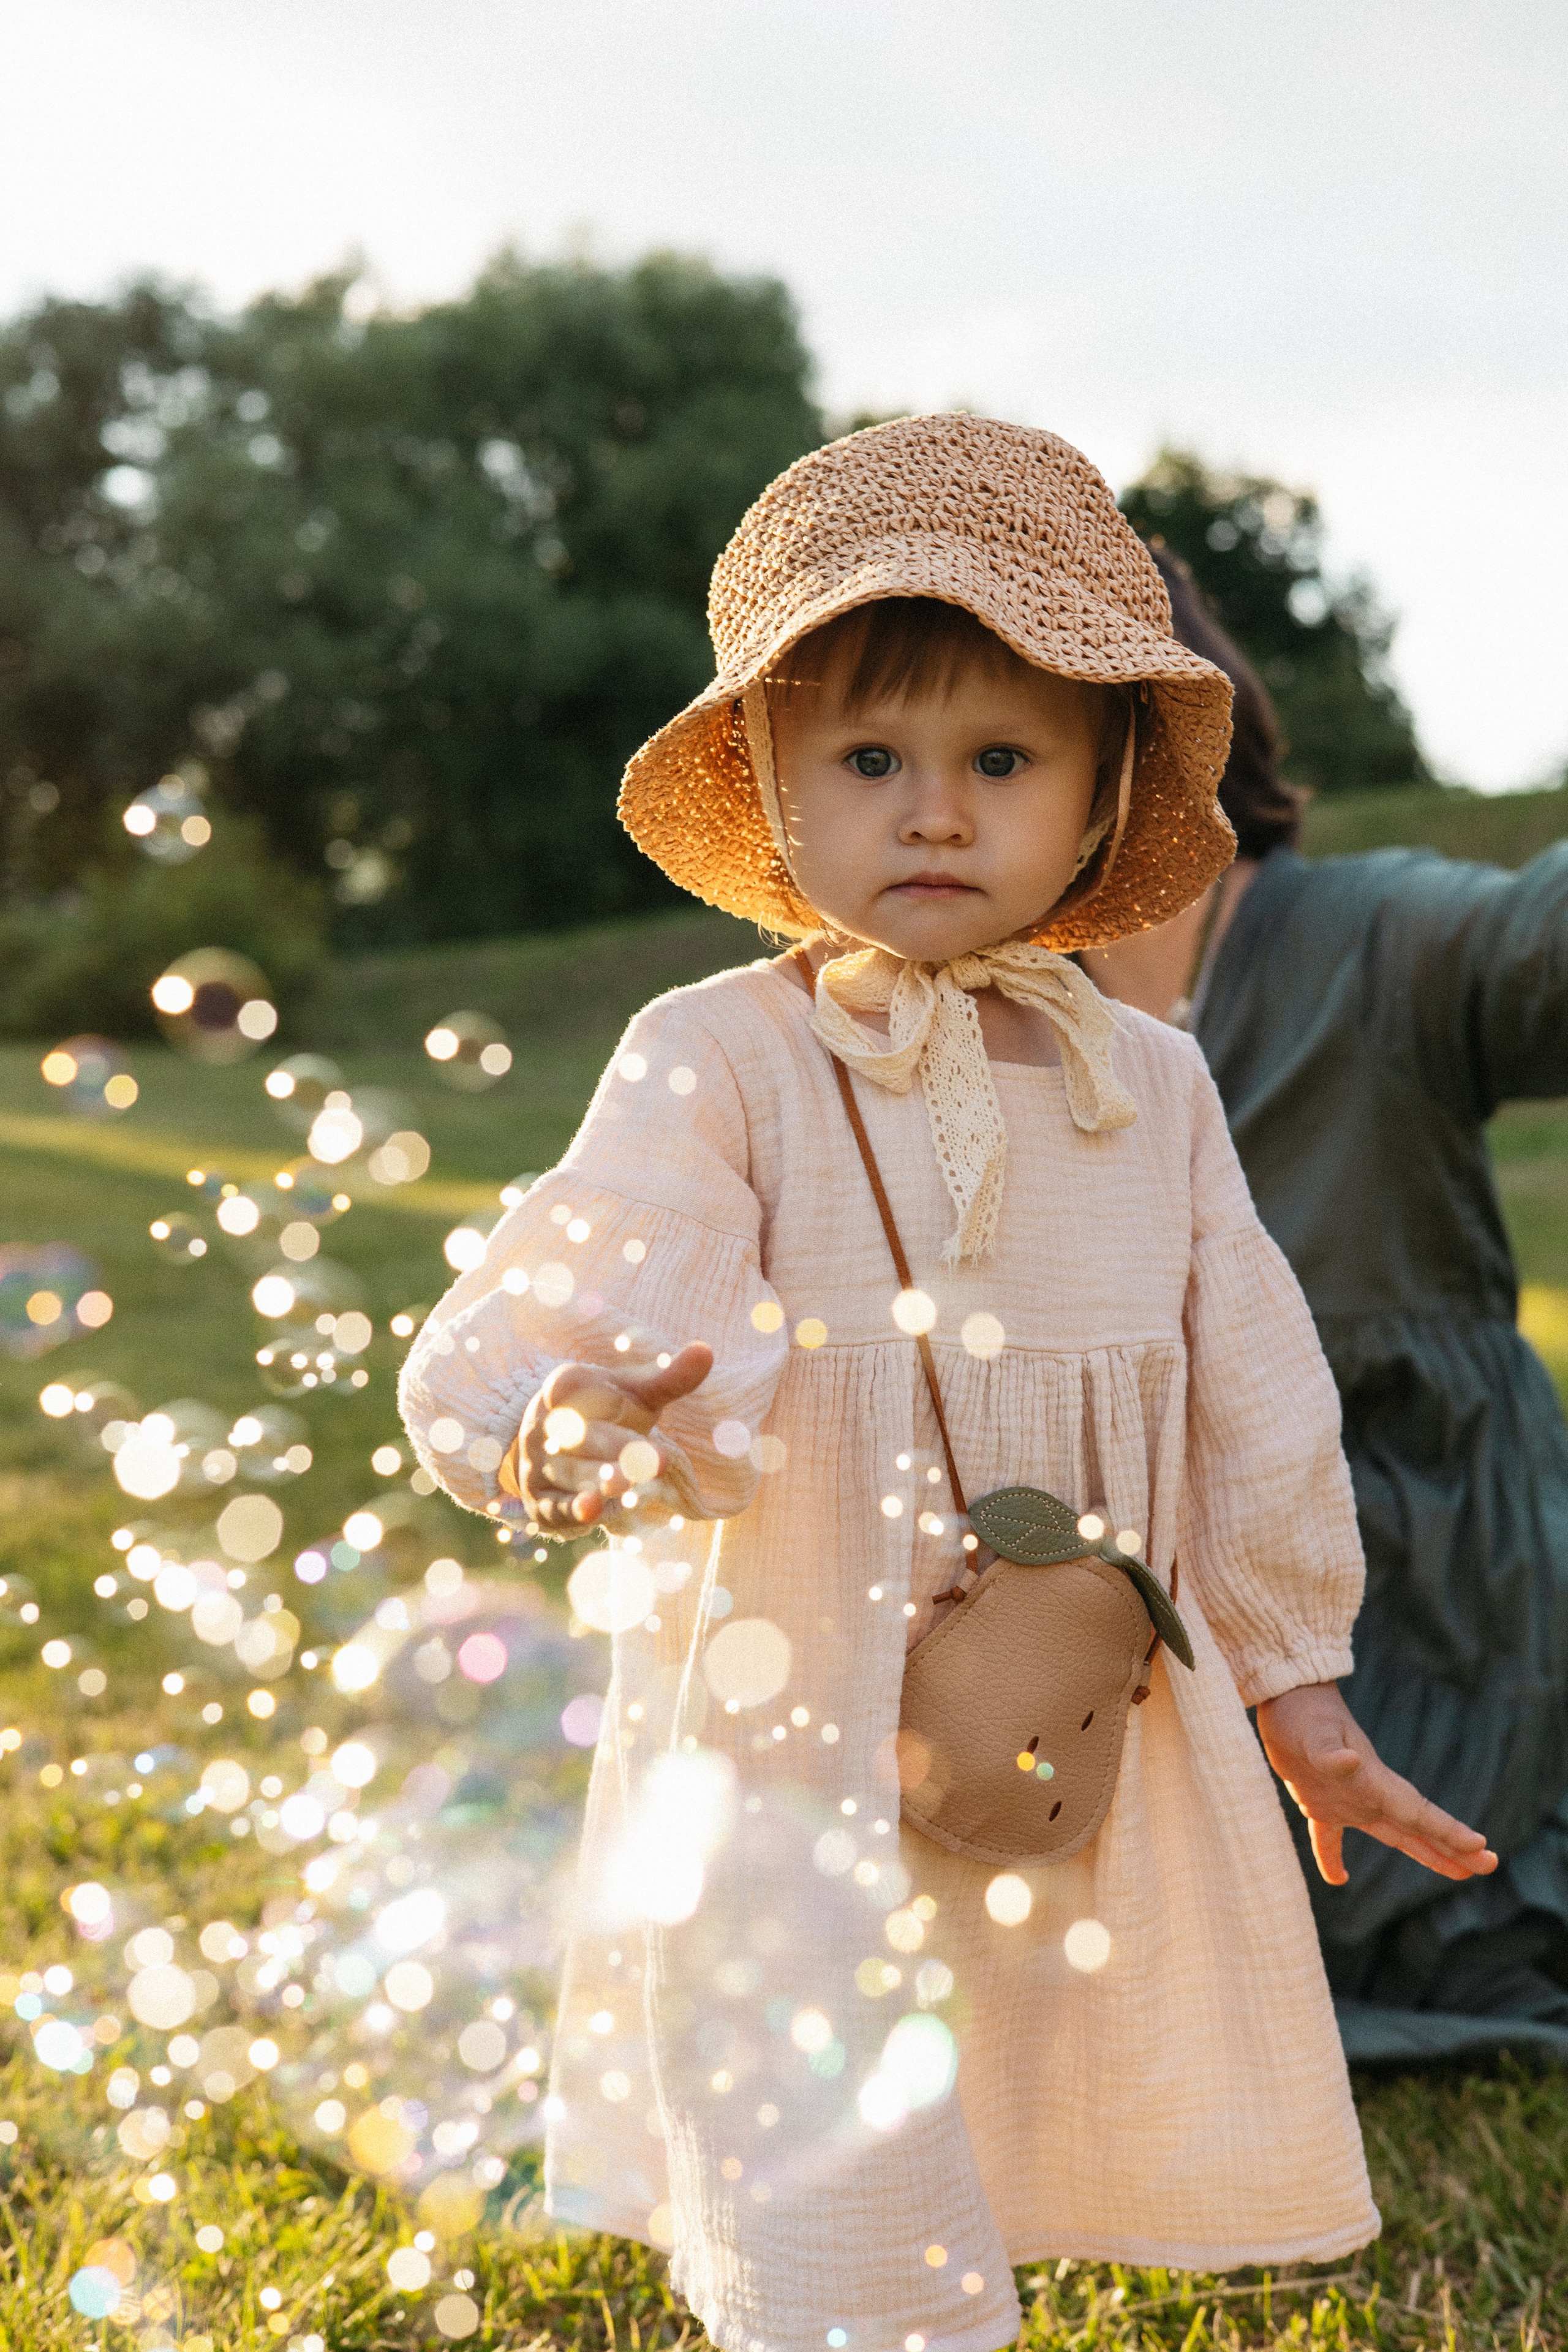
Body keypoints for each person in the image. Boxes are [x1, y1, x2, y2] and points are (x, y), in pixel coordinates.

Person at [401, 417, 1493, 2352]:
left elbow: (1252, 1386)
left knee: (1035, 2059)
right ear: (774, 784)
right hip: (801, 1695)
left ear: (1095, 801)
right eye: (872, 759)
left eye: (1001, 760)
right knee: (829, 2128)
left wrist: (1299, 1692)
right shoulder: (722, 1053)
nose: (933, 811)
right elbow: (596, 1266)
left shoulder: (1146, 1080)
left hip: (1067, 1700)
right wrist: (577, 1415)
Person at [1084, 547, 1568, 2064]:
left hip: (1418, 1592)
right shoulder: (964, 1027)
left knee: (1419, 1931)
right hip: (1120, 1619)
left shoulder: (1371, 936)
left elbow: (1532, 949)